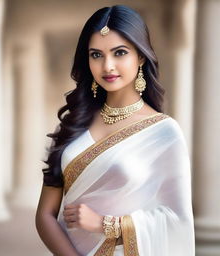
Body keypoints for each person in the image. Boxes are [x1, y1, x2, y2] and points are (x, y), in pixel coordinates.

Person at [35, 5, 195, 256]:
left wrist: (105, 224)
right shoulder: (74, 123)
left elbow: (177, 220)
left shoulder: (164, 133)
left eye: (119, 52)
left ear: (140, 56)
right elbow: (45, 214)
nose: (107, 66)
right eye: (96, 55)